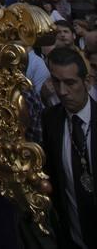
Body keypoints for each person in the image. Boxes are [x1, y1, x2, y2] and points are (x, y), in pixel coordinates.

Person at [42, 48, 97, 249]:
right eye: (56, 82)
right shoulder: (50, 120)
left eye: (70, 83)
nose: (62, 91)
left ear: (87, 82)